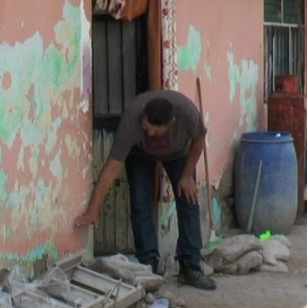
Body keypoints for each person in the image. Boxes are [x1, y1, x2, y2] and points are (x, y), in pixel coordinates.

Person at [74, 90, 216, 290]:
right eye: (146, 128)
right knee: (140, 204)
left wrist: (186, 176)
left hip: (179, 154)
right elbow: (111, 167)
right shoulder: (132, 119)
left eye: (155, 131)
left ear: (171, 122)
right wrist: (93, 210)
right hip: (140, 154)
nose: (149, 134)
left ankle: (190, 266)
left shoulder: (187, 113)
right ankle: (148, 266)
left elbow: (199, 141)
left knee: (189, 200)